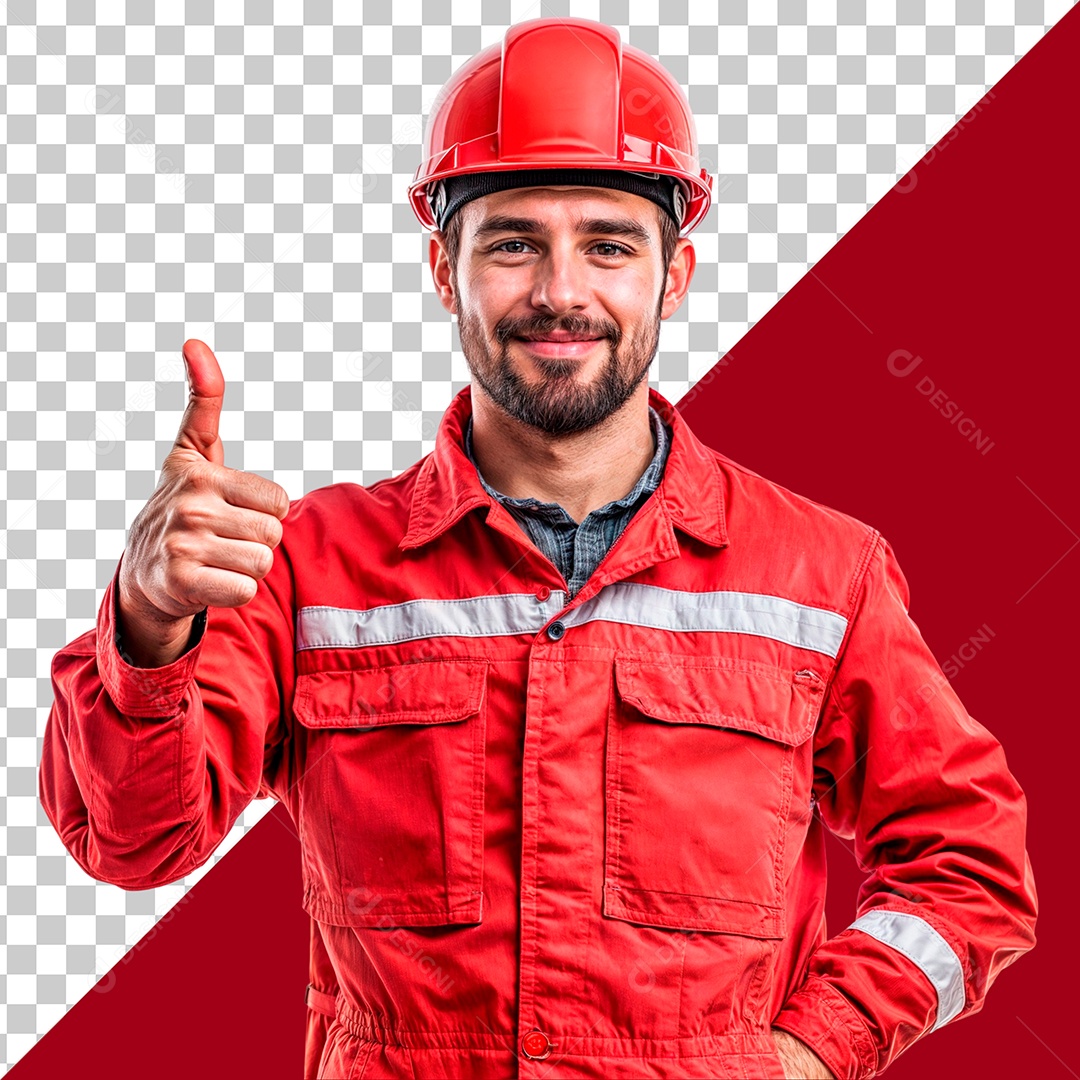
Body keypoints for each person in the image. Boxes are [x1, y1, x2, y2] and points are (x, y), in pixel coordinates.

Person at [39, 16, 1036, 1080]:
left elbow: (971, 873)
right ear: (444, 270)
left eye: (609, 244)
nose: (562, 291)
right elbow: (133, 843)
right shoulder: (307, 566)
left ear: (675, 274)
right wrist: (149, 622)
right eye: (513, 243)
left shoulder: (822, 576)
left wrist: (808, 1054)